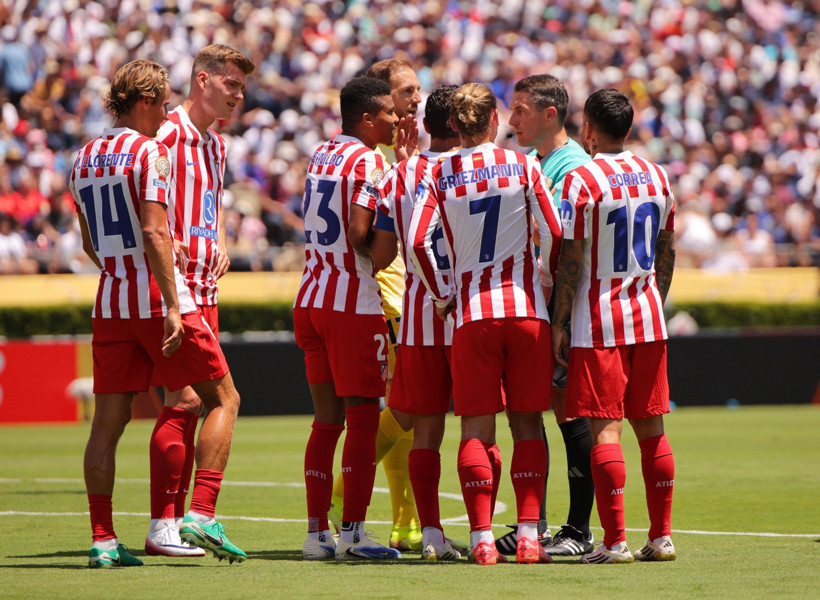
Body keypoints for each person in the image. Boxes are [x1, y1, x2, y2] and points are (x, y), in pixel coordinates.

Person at [69, 59, 244, 568]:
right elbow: (154, 231)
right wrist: (170, 300)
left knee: (106, 423)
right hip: (156, 295)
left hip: (111, 298)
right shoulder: (151, 151)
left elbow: (88, 243)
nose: (168, 110)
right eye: (163, 101)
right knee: (223, 398)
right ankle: (201, 513)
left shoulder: (82, 158)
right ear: (145, 101)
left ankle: (103, 539)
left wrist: (121, 273)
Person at [408, 82, 563, 565]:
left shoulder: (440, 172)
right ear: (494, 121)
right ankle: (531, 535)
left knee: (475, 428)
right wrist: (546, 274)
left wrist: (442, 293)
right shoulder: (522, 163)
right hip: (525, 309)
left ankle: (479, 538)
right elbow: (556, 230)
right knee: (529, 425)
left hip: (472, 314)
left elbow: (417, 241)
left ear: (453, 125)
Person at [551, 88, 677, 564]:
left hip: (597, 322)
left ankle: (614, 541)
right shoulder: (658, 175)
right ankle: (661, 536)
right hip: (647, 316)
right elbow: (666, 253)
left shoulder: (583, 180)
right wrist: (652, 303)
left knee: (607, 430)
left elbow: (571, 261)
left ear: (588, 129)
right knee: (652, 428)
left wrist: (560, 322)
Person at [145, 44, 255, 559]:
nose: (238, 94)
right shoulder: (164, 135)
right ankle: (184, 518)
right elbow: (141, 200)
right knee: (192, 399)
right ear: (203, 80)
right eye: (231, 84)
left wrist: (223, 241)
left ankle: (168, 524)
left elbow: (212, 200)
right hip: (176, 289)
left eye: (240, 86)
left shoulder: (214, 144)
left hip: (206, 286)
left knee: (187, 403)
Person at [295, 76, 401, 561]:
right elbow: (361, 234)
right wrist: (390, 234)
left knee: (325, 422)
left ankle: (318, 534)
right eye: (389, 113)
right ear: (366, 118)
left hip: (311, 295)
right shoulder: (369, 161)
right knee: (362, 420)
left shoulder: (322, 153)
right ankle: (355, 533)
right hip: (350, 302)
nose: (397, 120)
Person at [495, 74, 595, 557]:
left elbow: (567, 243)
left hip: (566, 308)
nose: (510, 121)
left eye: (520, 110)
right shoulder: (537, 162)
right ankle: (533, 523)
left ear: (549, 114)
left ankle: (578, 531)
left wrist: (559, 311)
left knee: (568, 409)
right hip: (541, 305)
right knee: (533, 411)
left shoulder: (572, 167)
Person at [327, 56, 425, 552]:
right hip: (381, 294)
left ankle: (404, 521)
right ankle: (343, 492)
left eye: (415, 90)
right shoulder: (373, 156)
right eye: (404, 93)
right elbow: (373, 236)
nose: (414, 100)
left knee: (403, 407)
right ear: (379, 105)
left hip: (395, 290)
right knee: (406, 404)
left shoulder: (390, 153)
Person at [370, 84, 463, 561]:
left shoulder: (401, 174)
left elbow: (383, 253)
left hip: (419, 315)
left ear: (424, 126)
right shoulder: (490, 168)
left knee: (422, 427)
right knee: (480, 427)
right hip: (473, 314)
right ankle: (490, 534)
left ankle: (427, 532)